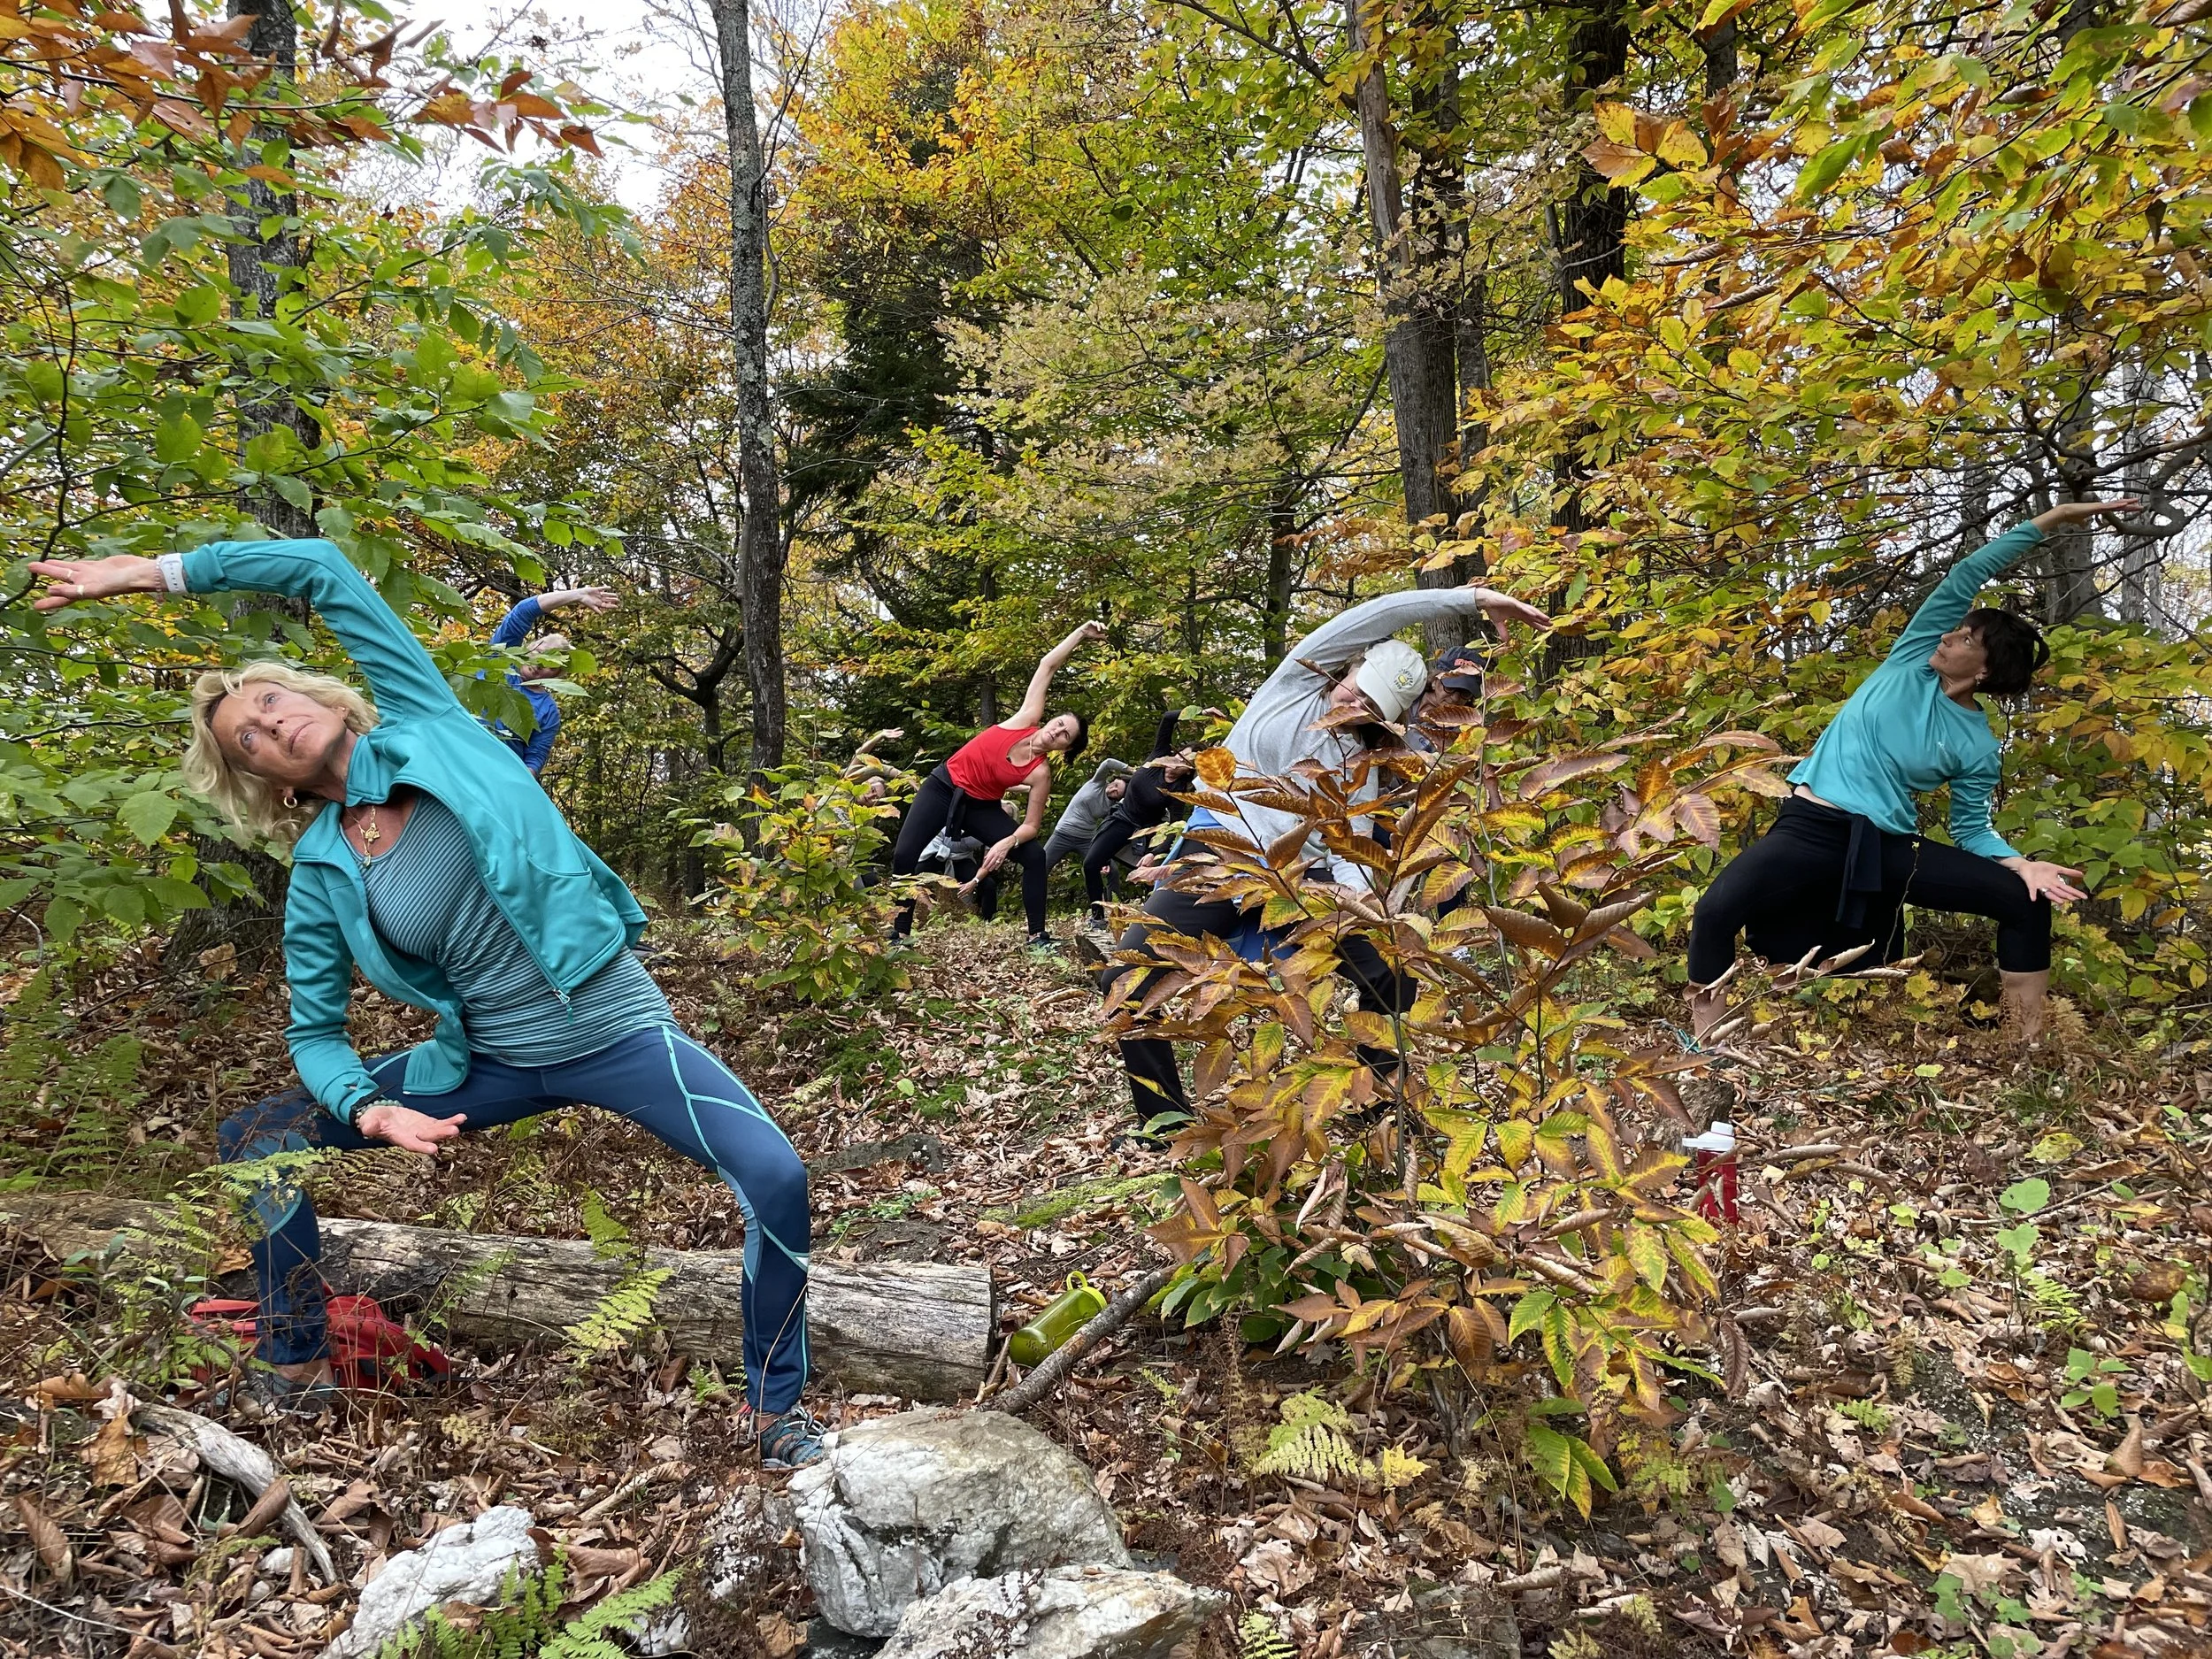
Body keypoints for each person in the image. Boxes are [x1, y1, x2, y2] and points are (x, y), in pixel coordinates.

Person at [27, 542, 825, 1467]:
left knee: (776, 1178)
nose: (271, 723)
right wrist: (371, 1108)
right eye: (248, 737)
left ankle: (774, 1414)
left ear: (326, 699)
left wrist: (153, 575)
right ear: (268, 780)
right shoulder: (322, 868)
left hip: (615, 1032)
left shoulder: (433, 726)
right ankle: (295, 1356)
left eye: (272, 700)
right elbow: (314, 1031)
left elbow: (323, 568)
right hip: (486, 1061)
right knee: (258, 1136)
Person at [1684, 499, 2140, 1045]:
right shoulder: (1910, 662)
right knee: (1714, 911)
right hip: (1810, 827)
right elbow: (1968, 573)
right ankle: (1707, 1050)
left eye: (1965, 639)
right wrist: (2054, 517)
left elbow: (1971, 828)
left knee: (2025, 902)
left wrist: (2022, 865)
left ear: (1986, 669)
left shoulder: (1977, 743)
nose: (1949, 638)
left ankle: (2027, 1046)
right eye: (1955, 631)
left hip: (1886, 846)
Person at [1098, 585, 1549, 1125]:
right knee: (1125, 979)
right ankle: (1164, 1122)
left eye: (1370, 710)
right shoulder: (1294, 685)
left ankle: (1374, 1106)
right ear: (1349, 669)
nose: (1353, 708)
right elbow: (1378, 613)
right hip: (1220, 852)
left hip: (1296, 883)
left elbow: (1346, 847)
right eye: (1357, 692)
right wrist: (1470, 599)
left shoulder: (1356, 761)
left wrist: (1359, 905)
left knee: (1392, 977)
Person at [887, 621, 1104, 951]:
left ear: (1066, 748)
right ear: (1052, 718)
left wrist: (1006, 842)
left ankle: (1037, 937)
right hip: (943, 787)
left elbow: (1031, 826)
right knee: (904, 855)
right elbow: (1047, 665)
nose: (1057, 732)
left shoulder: (1040, 773)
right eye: (1060, 723)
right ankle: (900, 935)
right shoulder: (1026, 718)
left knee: (1034, 856)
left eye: (1065, 736)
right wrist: (1080, 634)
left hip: (980, 806)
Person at [1080, 708, 1201, 930]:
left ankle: (1158, 921)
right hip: (1122, 819)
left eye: (1186, 761)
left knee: (1153, 875)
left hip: (1147, 834)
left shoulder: (1178, 790)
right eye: (1179, 755)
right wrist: (1201, 712)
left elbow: (1175, 827)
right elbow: (1167, 719)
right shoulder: (1158, 757)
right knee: (1091, 864)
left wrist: (1155, 853)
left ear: (1189, 770)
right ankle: (1097, 918)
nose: (1178, 761)